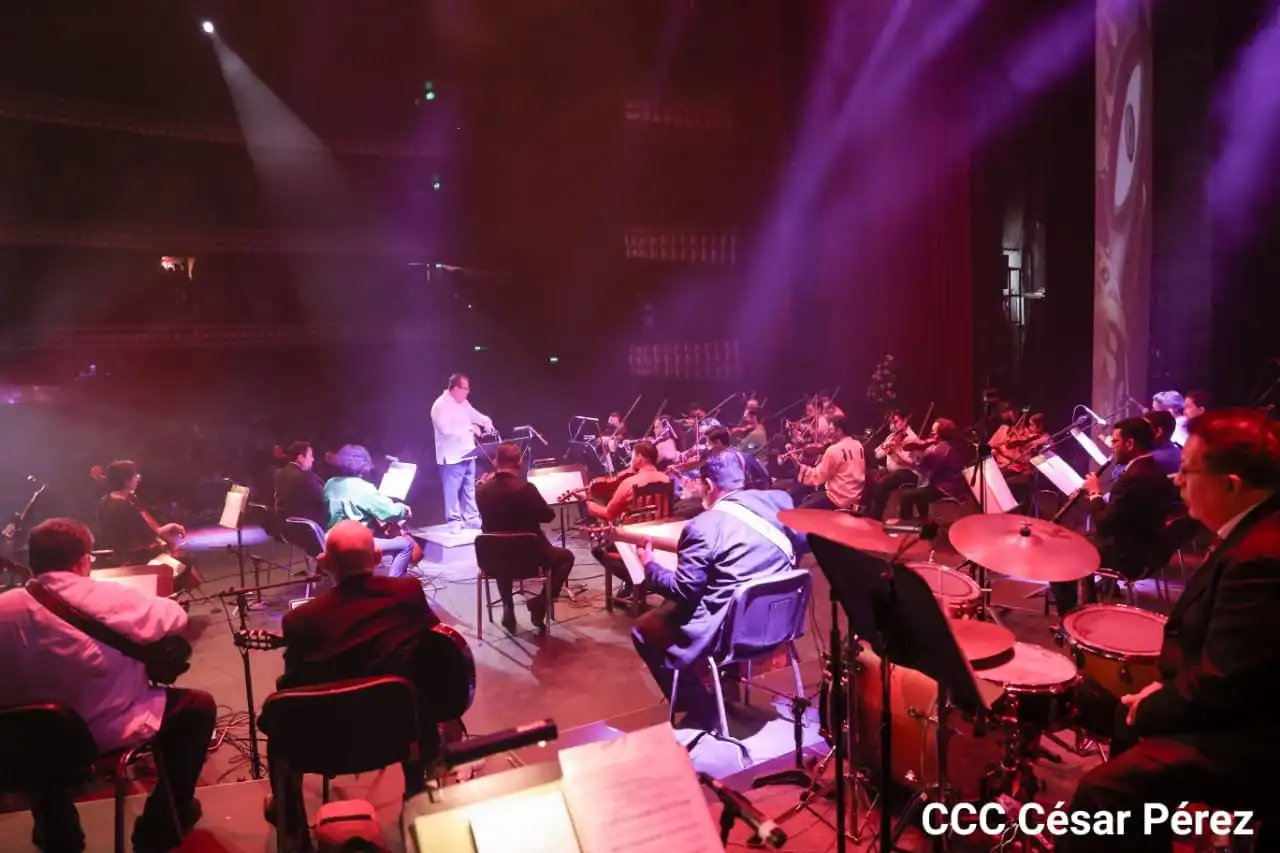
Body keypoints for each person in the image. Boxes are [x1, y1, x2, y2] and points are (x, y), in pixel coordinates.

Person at [1058, 409, 1280, 853]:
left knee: (1101, 793)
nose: (1177, 480)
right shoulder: (1254, 531)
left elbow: (1226, 684)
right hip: (1234, 702)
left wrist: (1154, 704)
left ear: (1231, 485)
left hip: (1256, 737)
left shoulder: (1260, 559)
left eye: (1188, 471)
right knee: (1120, 717)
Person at [0, 518, 213, 853]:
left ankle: (57, 833)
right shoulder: (109, 596)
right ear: (82, 560)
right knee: (197, 708)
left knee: (38, 732)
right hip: (99, 734)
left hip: (19, 742)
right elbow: (175, 617)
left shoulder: (5, 607)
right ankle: (160, 826)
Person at [266, 521, 444, 847]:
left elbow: (292, 688)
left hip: (322, 746)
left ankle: (289, 817)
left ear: (324, 563)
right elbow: (435, 648)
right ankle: (417, 794)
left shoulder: (300, 620)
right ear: (376, 557)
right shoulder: (407, 593)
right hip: (399, 734)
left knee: (280, 719)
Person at [631, 449, 803, 729]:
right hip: (780, 623)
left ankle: (702, 707)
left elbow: (684, 590)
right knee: (727, 592)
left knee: (644, 630)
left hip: (732, 635)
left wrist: (650, 565)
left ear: (709, 485)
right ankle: (727, 687)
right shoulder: (780, 502)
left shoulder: (702, 526)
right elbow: (800, 544)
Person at [1050, 418, 1183, 616]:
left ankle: (1072, 619)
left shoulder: (1133, 478)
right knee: (1080, 541)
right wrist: (1092, 497)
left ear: (1129, 444)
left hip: (1128, 556)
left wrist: (1094, 493)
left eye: (1115, 442)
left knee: (1059, 554)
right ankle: (1087, 606)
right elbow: (1121, 513)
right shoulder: (1152, 470)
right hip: (1146, 549)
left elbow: (1105, 525)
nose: (1112, 447)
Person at [476, 443, 575, 632]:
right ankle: (540, 603)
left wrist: (484, 483)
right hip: (530, 559)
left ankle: (508, 607)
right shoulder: (527, 489)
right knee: (566, 557)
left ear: (495, 462)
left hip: (493, 560)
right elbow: (548, 516)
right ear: (519, 463)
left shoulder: (481, 490)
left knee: (501, 550)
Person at [586, 441, 671, 601]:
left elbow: (608, 514)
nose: (631, 461)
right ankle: (639, 579)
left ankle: (635, 579)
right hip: (659, 539)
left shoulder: (629, 483)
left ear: (639, 458)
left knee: (597, 548)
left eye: (632, 457)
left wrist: (588, 503)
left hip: (632, 542)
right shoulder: (667, 479)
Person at [96, 460, 201, 592]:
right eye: (135, 475)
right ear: (126, 481)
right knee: (185, 566)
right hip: (137, 561)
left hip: (118, 557)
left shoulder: (104, 502)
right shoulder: (125, 506)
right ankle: (159, 597)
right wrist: (168, 541)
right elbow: (148, 537)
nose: (138, 478)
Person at [322, 445, 418, 578]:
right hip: (354, 546)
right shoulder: (364, 488)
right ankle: (394, 584)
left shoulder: (330, 483)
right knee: (405, 545)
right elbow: (390, 513)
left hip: (331, 541)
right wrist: (404, 510)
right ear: (363, 465)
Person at [430, 373, 494, 530]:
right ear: (455, 388)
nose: (467, 392)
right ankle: (454, 520)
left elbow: (475, 415)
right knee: (452, 490)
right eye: (465, 388)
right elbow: (446, 430)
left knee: (469, 487)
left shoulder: (464, 403)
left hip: (468, 452)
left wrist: (485, 421)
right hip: (452, 456)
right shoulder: (440, 406)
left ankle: (471, 517)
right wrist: (470, 428)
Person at [897, 419, 968, 521]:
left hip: (943, 488)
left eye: (933, 432)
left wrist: (918, 455)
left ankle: (906, 522)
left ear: (940, 435)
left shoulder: (942, 448)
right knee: (920, 488)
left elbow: (924, 467)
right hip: (943, 483)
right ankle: (924, 519)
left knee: (906, 495)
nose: (930, 435)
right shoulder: (944, 445)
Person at [796, 414, 866, 511]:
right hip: (855, 498)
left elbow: (819, 476)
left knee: (800, 510)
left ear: (839, 431)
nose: (828, 433)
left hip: (838, 499)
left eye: (831, 429)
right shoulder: (858, 445)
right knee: (811, 498)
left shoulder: (834, 450)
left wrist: (800, 468)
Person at [868, 410, 921, 520]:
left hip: (909, 472)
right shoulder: (892, 437)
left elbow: (911, 462)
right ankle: (868, 511)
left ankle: (876, 516)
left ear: (905, 421)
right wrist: (881, 448)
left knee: (882, 484)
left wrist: (895, 450)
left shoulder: (911, 438)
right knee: (871, 478)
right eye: (891, 422)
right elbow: (878, 454)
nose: (892, 425)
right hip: (894, 472)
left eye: (896, 421)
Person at [273, 441, 326, 527]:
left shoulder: (279, 474)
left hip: (286, 527)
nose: (313, 459)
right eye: (310, 456)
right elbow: (325, 497)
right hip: (308, 527)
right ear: (300, 458)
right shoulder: (305, 478)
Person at [1143, 409, 1183, 476]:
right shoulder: (1182, 453)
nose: (1140, 431)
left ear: (1158, 432)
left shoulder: (1147, 460)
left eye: (1144, 427)